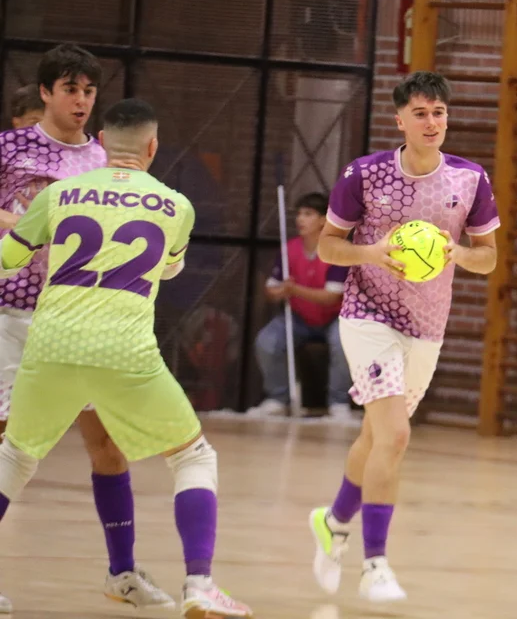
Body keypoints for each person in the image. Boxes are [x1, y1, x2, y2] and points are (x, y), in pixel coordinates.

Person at [0, 98, 253, 617]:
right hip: (124, 350)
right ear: (152, 146)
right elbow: (168, 271)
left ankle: (132, 574)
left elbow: (8, 259)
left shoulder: (58, 194)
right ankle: (199, 585)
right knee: (192, 456)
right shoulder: (176, 205)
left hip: (52, 344)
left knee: (15, 458)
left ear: (101, 143)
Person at [307, 71, 499, 601]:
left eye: (438, 112)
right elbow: (327, 246)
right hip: (368, 315)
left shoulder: (470, 179)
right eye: (420, 113)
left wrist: (457, 253)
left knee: (376, 438)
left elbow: (488, 259)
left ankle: (333, 521)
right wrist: (372, 253)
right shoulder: (365, 173)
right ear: (400, 120)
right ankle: (375, 566)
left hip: (427, 326)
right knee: (394, 436)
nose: (431, 122)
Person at [0, 45, 171, 610]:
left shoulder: (104, 158)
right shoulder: (10, 148)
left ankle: (122, 573)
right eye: (70, 89)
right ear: (45, 92)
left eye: (89, 91)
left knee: (109, 443)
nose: (81, 100)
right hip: (13, 313)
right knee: (8, 444)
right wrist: (29, 224)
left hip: (81, 319)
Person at [247, 192, 353, 420]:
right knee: (267, 341)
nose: (300, 219)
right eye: (299, 214)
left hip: (335, 318)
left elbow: (331, 297)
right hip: (299, 318)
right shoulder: (290, 249)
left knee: (343, 343)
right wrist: (279, 292)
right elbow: (271, 288)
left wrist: (294, 290)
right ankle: (277, 399)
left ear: (323, 220)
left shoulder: (336, 250)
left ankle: (339, 403)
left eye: (308, 214)